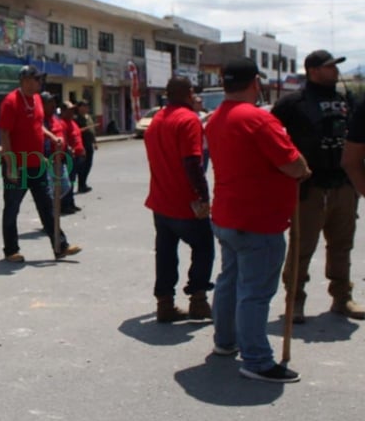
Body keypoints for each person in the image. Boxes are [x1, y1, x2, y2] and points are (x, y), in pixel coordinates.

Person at [206, 57, 310, 383]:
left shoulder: (216, 118)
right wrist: (304, 169)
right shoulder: (258, 120)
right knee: (254, 292)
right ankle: (257, 359)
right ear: (255, 83)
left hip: (227, 214)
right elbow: (294, 165)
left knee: (229, 282)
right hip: (257, 220)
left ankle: (225, 341)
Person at [271, 50, 364, 322]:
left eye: (335, 66)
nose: (335, 71)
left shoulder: (347, 100)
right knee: (302, 246)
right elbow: (272, 139)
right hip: (309, 187)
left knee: (341, 245)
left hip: (344, 184)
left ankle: (342, 297)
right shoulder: (293, 103)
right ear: (312, 70)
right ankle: (295, 300)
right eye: (329, 66)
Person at [143, 77, 214, 323]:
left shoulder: (157, 120)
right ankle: (198, 299)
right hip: (183, 201)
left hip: (160, 200)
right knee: (204, 246)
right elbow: (193, 162)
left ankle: (165, 303)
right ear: (188, 94)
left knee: (165, 252)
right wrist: (204, 195)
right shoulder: (188, 120)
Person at [0, 65, 81, 262]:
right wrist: (10, 165)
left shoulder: (36, 100)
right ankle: (11, 250)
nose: (39, 82)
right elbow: (4, 134)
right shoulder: (10, 102)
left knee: (47, 205)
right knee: (12, 207)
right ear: (26, 80)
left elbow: (37, 126)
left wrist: (52, 137)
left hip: (37, 164)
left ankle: (60, 246)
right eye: (36, 79)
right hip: (17, 165)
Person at [59, 101, 85, 215]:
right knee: (68, 181)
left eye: (72, 110)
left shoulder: (72, 122)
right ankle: (65, 205)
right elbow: (64, 140)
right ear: (63, 111)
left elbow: (77, 136)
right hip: (70, 157)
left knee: (72, 181)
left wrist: (82, 149)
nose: (72, 112)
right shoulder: (62, 123)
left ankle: (71, 203)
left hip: (78, 156)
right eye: (69, 110)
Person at [75, 100, 96, 193]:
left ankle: (84, 183)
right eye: (83, 106)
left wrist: (95, 142)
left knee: (88, 164)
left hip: (89, 143)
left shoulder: (88, 117)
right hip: (81, 144)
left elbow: (92, 130)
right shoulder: (76, 118)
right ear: (78, 108)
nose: (85, 108)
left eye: (86, 106)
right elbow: (74, 131)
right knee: (82, 166)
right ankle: (81, 185)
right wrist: (82, 130)